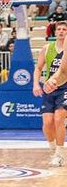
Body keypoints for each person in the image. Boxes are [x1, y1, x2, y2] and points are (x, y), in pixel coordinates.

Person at [35, 21, 67, 166]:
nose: (61, 31)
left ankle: (60, 154)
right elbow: (38, 68)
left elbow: (62, 71)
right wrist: (36, 84)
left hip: (64, 87)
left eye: (64, 29)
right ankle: (53, 151)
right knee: (47, 123)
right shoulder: (47, 48)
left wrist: (55, 79)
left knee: (59, 119)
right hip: (49, 87)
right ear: (55, 32)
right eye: (59, 29)